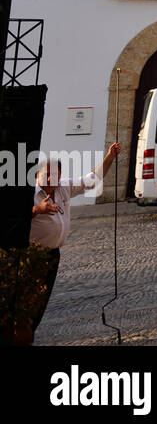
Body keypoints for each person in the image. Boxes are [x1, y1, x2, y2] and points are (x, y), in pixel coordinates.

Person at [28, 143, 121, 338]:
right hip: (31, 258)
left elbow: (91, 180)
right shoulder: (30, 194)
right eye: (48, 175)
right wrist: (37, 211)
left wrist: (110, 157)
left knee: (41, 301)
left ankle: (29, 335)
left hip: (53, 255)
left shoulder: (63, 188)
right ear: (37, 175)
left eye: (57, 175)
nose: (53, 179)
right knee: (28, 301)